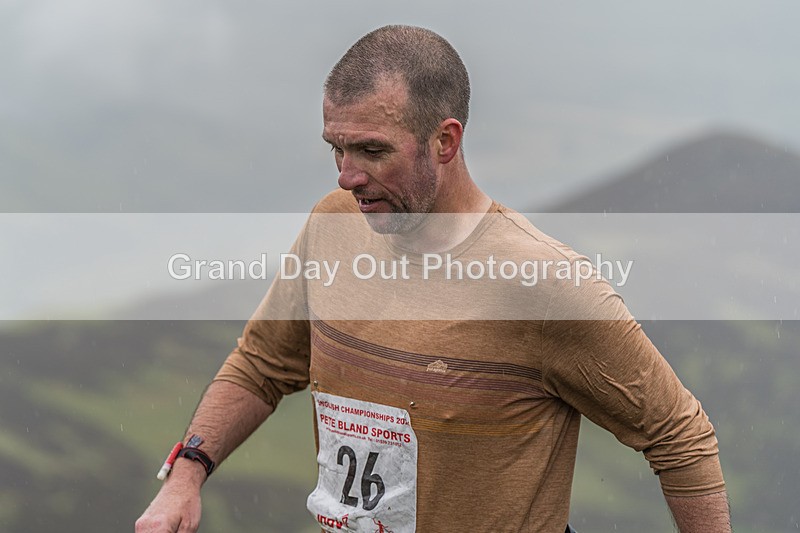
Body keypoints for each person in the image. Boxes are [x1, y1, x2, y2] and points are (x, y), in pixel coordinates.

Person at [136, 25, 730, 533]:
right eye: (336, 148)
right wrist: (184, 478)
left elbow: (680, 438)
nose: (347, 177)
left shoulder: (541, 284)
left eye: (372, 150)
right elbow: (262, 366)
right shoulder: (331, 226)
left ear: (445, 140)